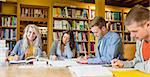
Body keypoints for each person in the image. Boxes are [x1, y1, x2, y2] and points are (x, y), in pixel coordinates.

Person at [111, 5, 150, 73]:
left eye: (135, 31)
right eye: (130, 32)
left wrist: (137, 65)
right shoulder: (140, 41)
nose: (132, 36)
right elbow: (137, 61)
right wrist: (124, 64)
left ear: (148, 25)